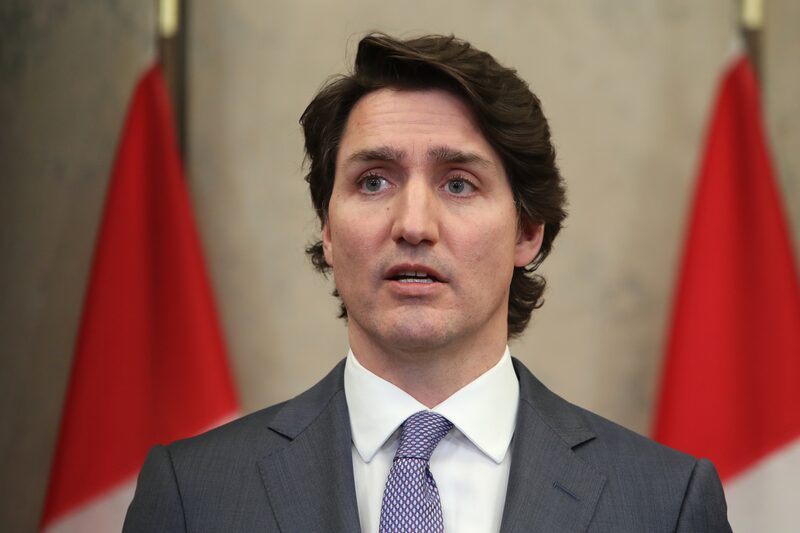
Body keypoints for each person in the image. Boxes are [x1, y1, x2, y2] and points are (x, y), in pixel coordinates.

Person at [123, 33, 732, 532]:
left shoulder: (665, 504)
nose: (413, 225)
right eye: (374, 181)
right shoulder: (193, 496)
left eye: (459, 183)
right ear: (327, 230)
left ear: (527, 232)